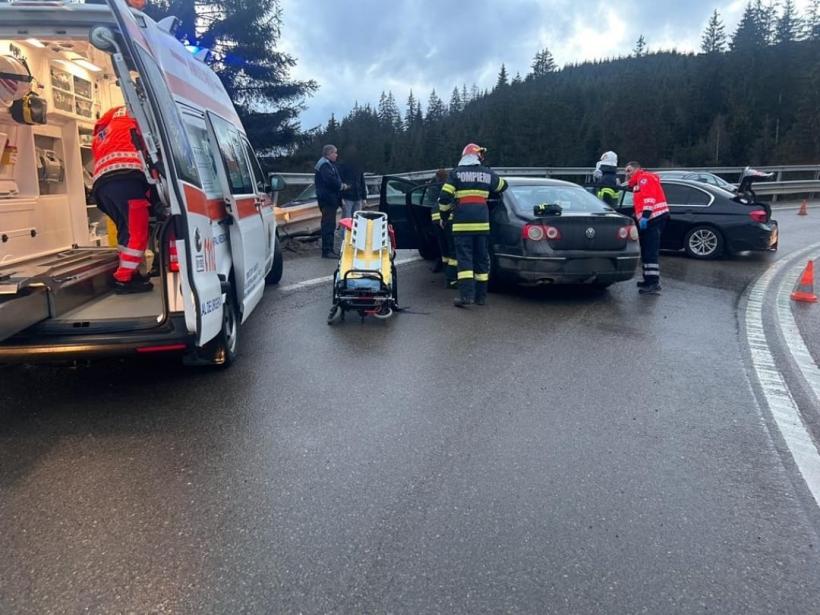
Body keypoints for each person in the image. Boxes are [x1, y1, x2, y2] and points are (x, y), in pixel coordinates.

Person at [92, 105, 153, 294]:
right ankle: (124, 279)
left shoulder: (105, 127)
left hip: (102, 186)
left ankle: (129, 271)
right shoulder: (138, 114)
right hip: (127, 179)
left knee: (125, 230)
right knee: (137, 232)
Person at [437, 143, 507, 307]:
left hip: (462, 225)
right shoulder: (487, 173)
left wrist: (444, 216)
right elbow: (503, 186)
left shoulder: (456, 174)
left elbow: (444, 197)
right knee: (482, 259)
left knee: (465, 261)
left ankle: (466, 296)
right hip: (482, 224)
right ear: (477, 157)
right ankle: (481, 297)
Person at [623, 161, 670, 295]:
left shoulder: (644, 178)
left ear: (637, 169)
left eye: (629, 170)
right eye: (626, 171)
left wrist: (645, 216)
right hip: (652, 218)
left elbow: (649, 198)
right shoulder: (638, 182)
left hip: (654, 218)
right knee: (646, 250)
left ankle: (653, 283)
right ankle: (648, 280)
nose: (627, 173)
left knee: (650, 251)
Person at [314, 144, 344, 258]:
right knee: (328, 225)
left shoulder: (329, 164)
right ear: (329, 153)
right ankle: (327, 251)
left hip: (330, 199)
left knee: (330, 225)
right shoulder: (324, 165)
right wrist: (341, 186)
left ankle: (329, 249)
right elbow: (331, 181)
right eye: (335, 153)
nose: (336, 155)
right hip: (327, 200)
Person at [336, 146, 366, 244]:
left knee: (358, 220)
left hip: (358, 196)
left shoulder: (358, 166)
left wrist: (364, 197)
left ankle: (356, 240)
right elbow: (339, 183)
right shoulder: (342, 166)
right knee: (347, 220)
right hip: (347, 197)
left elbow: (362, 181)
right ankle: (344, 241)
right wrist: (341, 198)